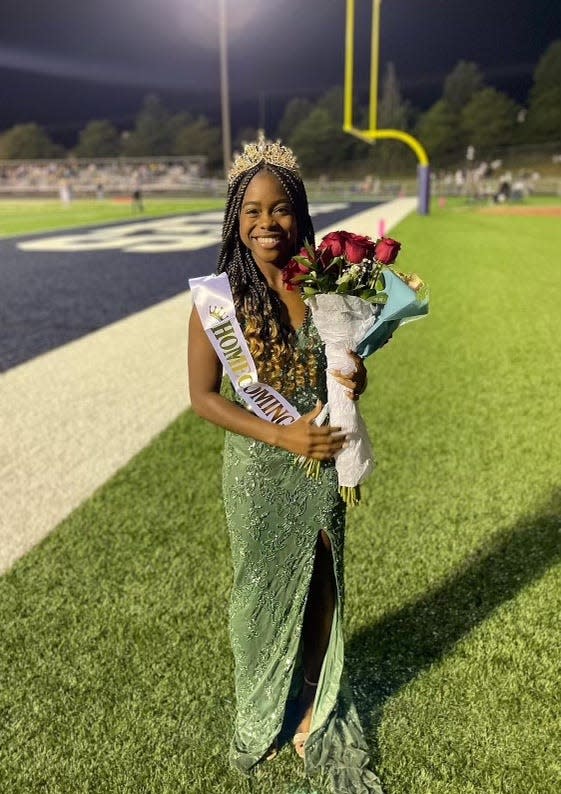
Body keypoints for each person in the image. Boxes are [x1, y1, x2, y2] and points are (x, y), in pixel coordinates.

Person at [188, 135, 384, 793]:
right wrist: (283, 439)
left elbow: (339, 374)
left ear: (298, 213)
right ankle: (261, 712)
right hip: (257, 466)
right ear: (234, 219)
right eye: (251, 211)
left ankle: (311, 708)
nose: (265, 224)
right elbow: (202, 399)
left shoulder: (326, 285)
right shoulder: (217, 300)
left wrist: (352, 378)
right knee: (257, 593)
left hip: (320, 456)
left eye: (278, 210)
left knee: (324, 579)